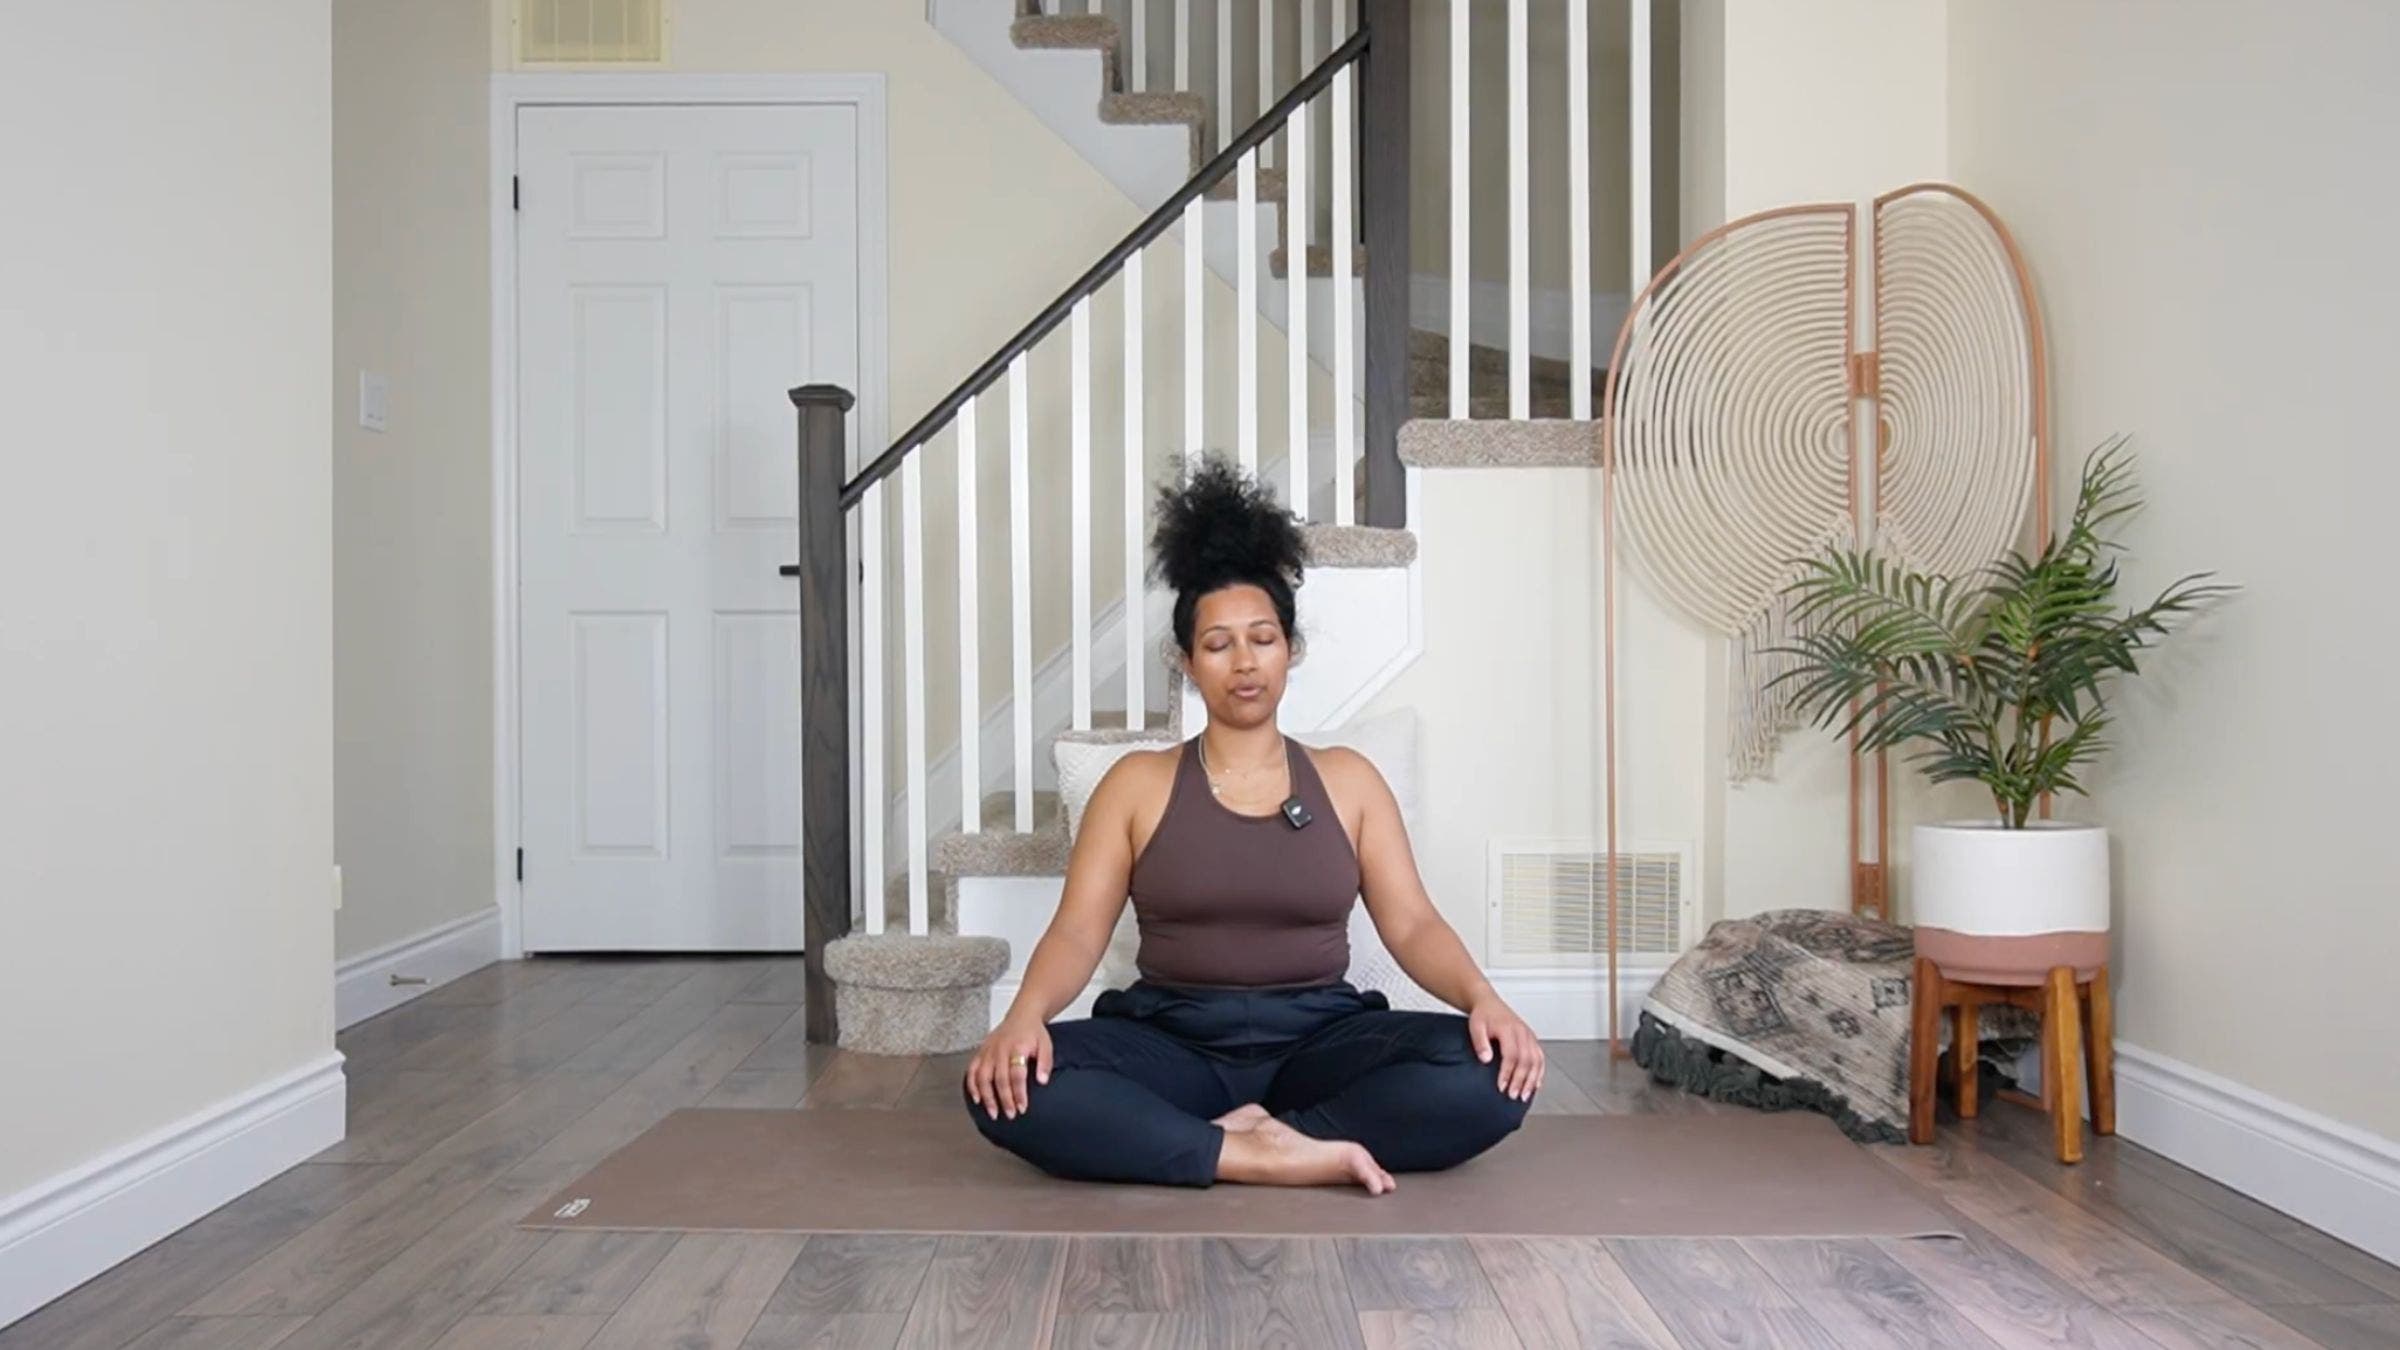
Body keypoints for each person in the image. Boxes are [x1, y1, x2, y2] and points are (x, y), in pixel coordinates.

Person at [962, 457, 1541, 1193]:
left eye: (1262, 639)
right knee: (1006, 1085)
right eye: (1218, 644)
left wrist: (1484, 1000)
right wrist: (1022, 1021)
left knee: (1491, 1075)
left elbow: (1414, 924)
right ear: (1186, 662)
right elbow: (1078, 932)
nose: (1244, 662)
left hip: (1320, 1040)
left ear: (1290, 651)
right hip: (1173, 1041)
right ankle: (1258, 1151)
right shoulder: (1135, 786)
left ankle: (1250, 1140)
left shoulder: (1348, 780)